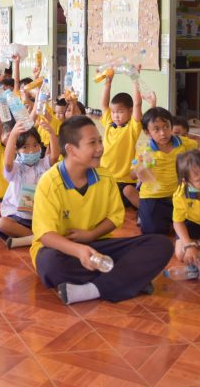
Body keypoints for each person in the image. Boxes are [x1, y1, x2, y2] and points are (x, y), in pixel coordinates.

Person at [31, 116, 173, 304]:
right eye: (92, 143)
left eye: (100, 141)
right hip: (63, 249)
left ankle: (93, 289)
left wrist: (91, 235)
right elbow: (46, 235)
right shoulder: (49, 183)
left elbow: (115, 217)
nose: (100, 148)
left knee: (161, 245)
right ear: (71, 150)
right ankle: (127, 279)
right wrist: (79, 250)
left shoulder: (105, 177)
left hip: (99, 246)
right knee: (50, 264)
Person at [136, 107, 197, 235]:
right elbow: (133, 174)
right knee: (152, 232)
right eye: (156, 129)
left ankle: (171, 222)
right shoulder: (145, 150)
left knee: (195, 226)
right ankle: (146, 215)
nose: (163, 133)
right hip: (153, 197)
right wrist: (140, 171)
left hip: (178, 195)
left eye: (166, 127)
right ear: (147, 132)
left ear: (171, 126)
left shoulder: (185, 144)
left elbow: (197, 155)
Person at [0, 122, 56, 249]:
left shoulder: (43, 164)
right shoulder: (16, 167)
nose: (31, 150)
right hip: (20, 216)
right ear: (17, 150)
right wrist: (13, 135)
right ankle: (37, 238)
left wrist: (52, 133)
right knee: (2, 223)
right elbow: (7, 163)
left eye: (35, 145)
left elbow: (55, 156)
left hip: (40, 216)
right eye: (25, 147)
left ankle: (28, 239)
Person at [99, 76, 144, 210]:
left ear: (130, 111)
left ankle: (146, 212)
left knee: (127, 193)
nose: (116, 115)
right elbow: (104, 105)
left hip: (124, 181)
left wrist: (135, 78)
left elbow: (137, 104)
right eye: (113, 112)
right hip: (105, 178)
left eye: (120, 112)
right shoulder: (109, 124)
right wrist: (108, 82)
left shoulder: (132, 128)